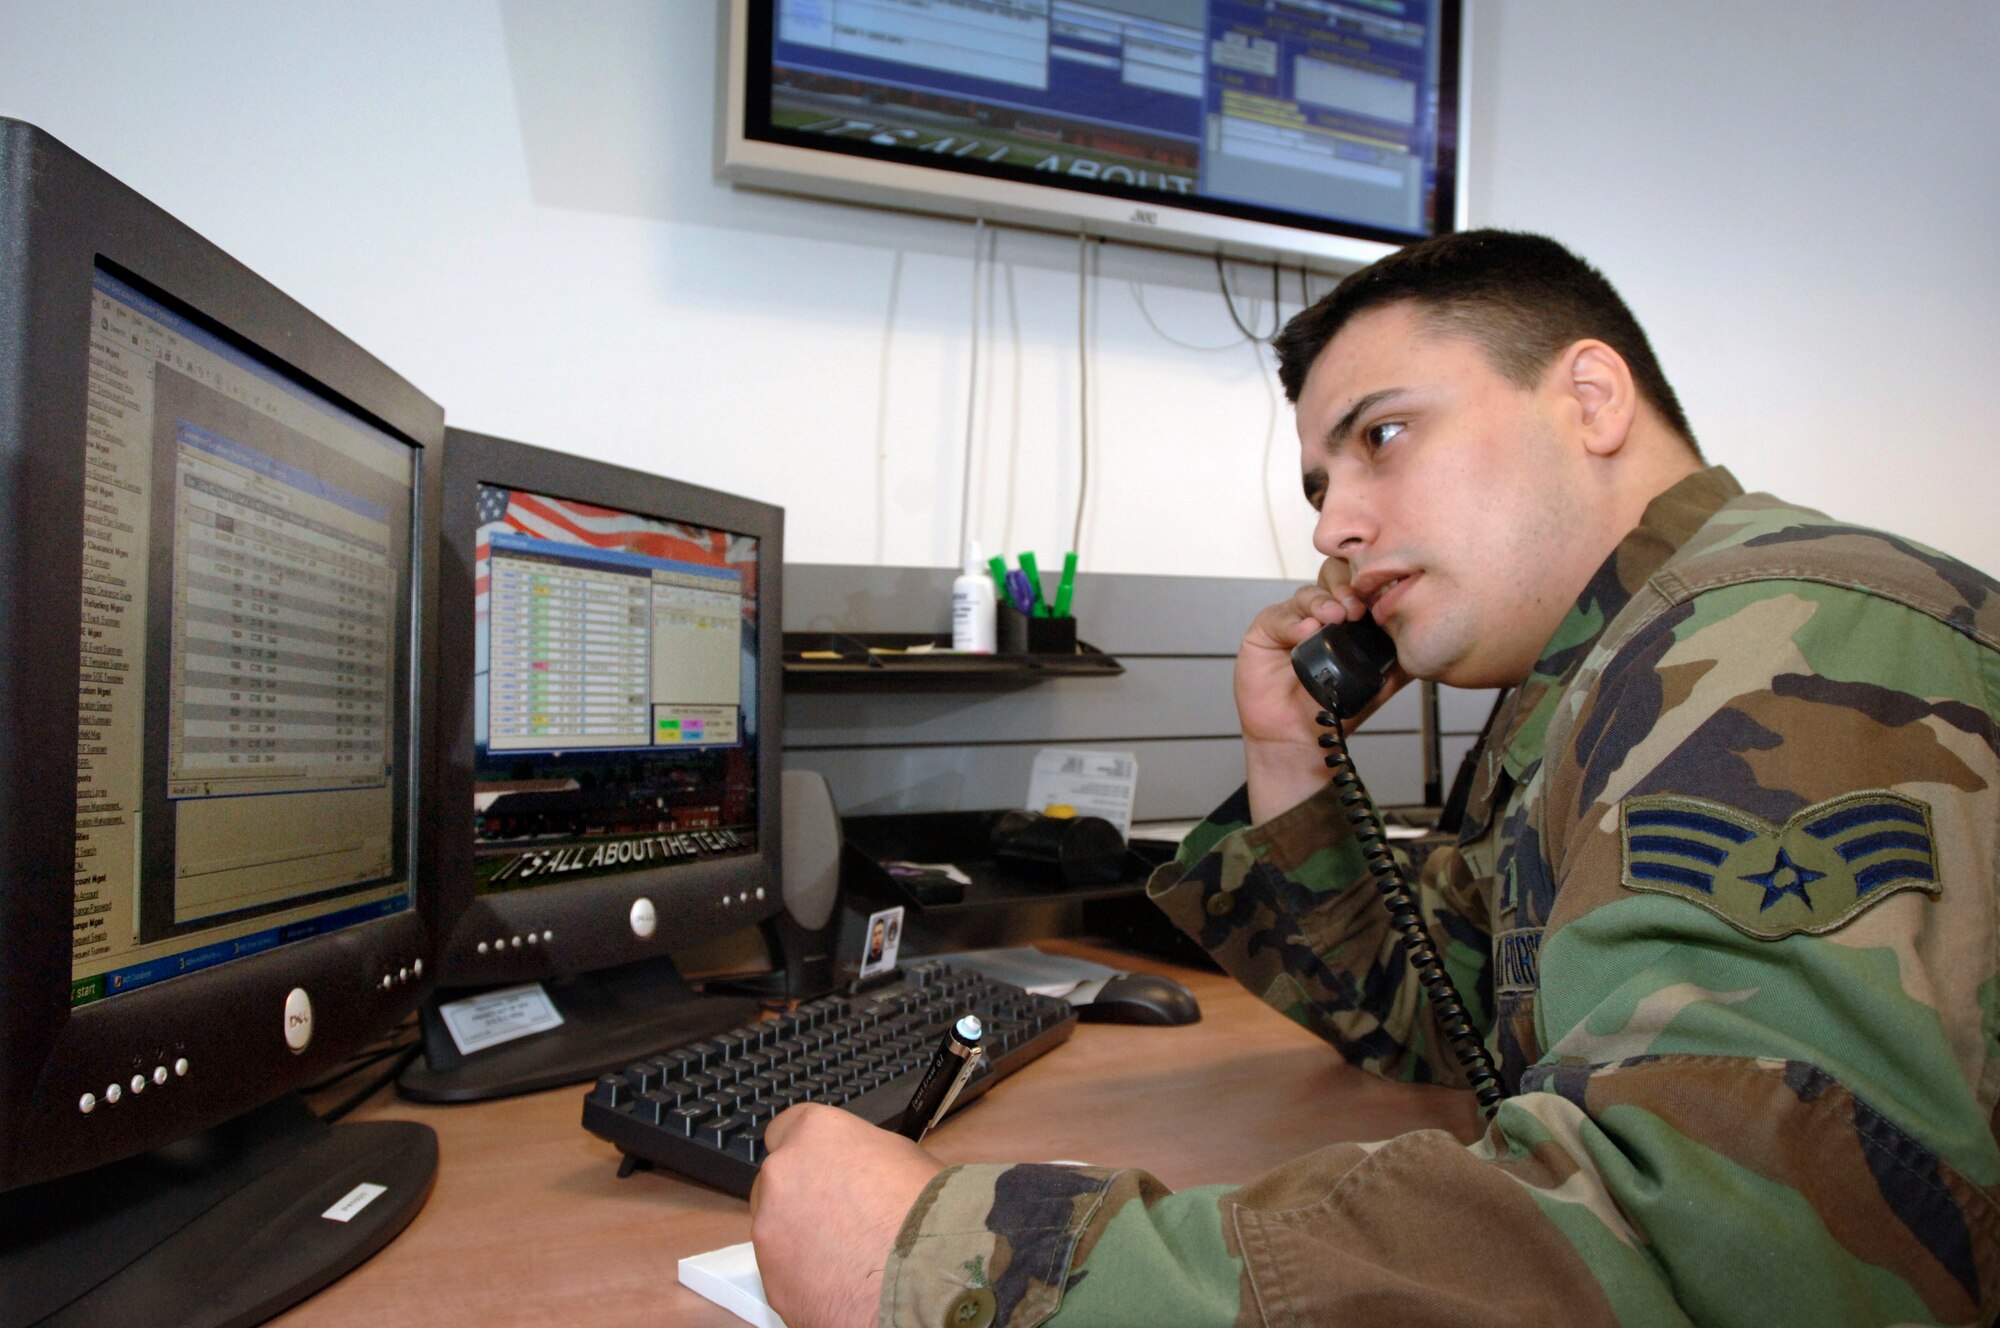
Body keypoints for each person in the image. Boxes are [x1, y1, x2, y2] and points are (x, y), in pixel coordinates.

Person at [749, 230, 2000, 1326]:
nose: (1332, 525)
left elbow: (1738, 1259)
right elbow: (1434, 1013)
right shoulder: (1598, 675)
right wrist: (1292, 748)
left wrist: (953, 1266)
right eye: (1319, 482)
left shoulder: (1775, 641)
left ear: (1590, 397)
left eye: (1381, 436)